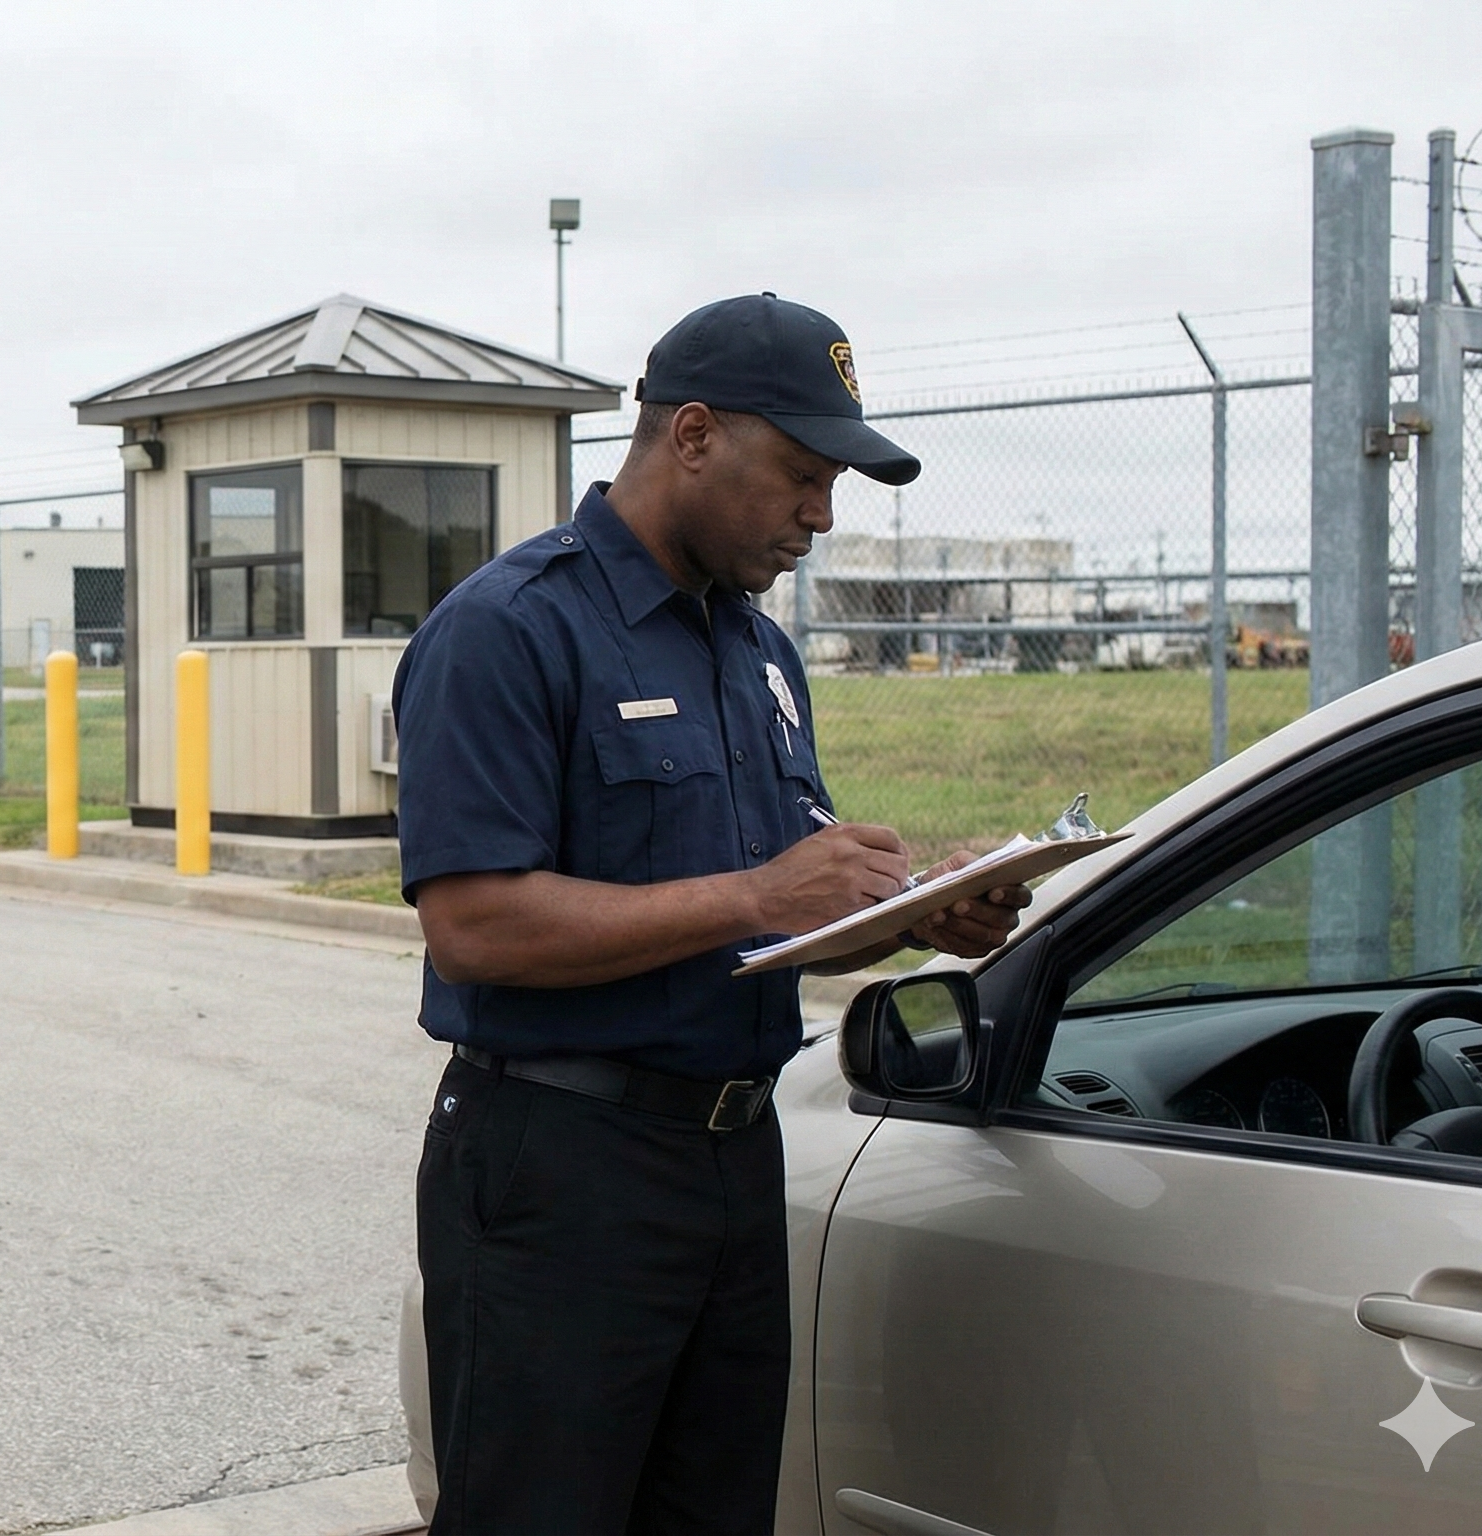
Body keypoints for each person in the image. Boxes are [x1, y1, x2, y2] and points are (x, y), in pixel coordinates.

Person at [395, 293, 1030, 1536]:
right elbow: (473, 928)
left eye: (833, 481)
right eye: (799, 473)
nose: (819, 513)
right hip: (560, 1167)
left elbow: (774, 926)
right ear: (689, 435)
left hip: (732, 1162)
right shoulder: (509, 630)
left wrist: (910, 915)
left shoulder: (755, 652)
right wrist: (758, 890)